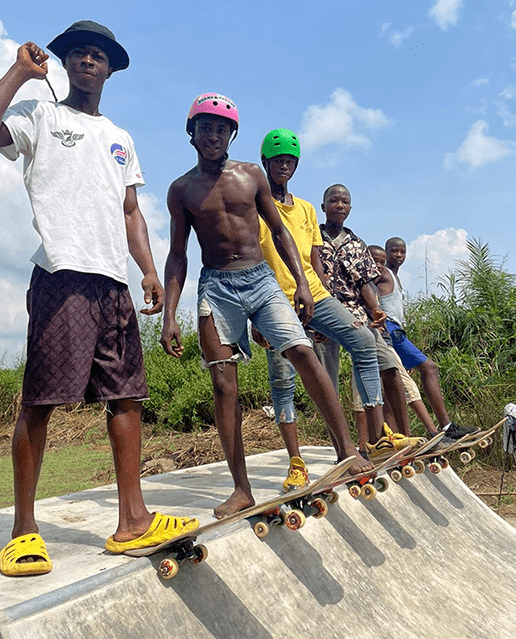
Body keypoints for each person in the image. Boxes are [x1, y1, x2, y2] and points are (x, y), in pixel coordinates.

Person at [0, 21, 199, 576]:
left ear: (111, 68)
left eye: (99, 55)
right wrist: (20, 72)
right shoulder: (39, 116)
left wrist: (147, 271)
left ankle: (133, 520)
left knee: (127, 399)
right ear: (66, 64)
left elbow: (131, 211)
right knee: (41, 402)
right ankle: (23, 531)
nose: (89, 60)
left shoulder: (121, 137)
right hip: (62, 276)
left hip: (114, 282)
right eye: (79, 54)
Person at [160, 96, 373, 518]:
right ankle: (241, 489)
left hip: (262, 281)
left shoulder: (250, 175)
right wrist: (169, 315)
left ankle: (347, 452)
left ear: (231, 135)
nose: (214, 136)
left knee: (303, 354)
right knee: (224, 385)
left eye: (222, 129)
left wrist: (301, 284)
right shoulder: (181, 190)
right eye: (206, 127)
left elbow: (279, 231)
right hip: (216, 289)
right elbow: (178, 255)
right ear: (192, 132)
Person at [254, 129, 418, 491]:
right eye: (278, 160)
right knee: (284, 382)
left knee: (362, 342)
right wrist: (255, 312)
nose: (284, 165)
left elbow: (314, 256)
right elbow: (252, 253)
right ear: (265, 162)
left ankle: (375, 438)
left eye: (290, 161)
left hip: (312, 294)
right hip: (274, 299)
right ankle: (296, 463)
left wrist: (322, 296)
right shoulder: (255, 205)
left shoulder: (307, 209)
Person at [316, 184, 416, 448]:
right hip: (323, 314)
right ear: (323, 206)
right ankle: (344, 450)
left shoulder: (357, 244)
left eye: (345, 201)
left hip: (357, 315)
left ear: (350, 208)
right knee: (329, 385)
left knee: (390, 366)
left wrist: (375, 309)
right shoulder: (312, 239)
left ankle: (398, 438)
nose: (339, 205)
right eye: (333, 200)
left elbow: (364, 283)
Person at [377, 238, 477, 440]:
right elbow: (367, 286)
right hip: (389, 329)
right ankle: (446, 426)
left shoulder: (395, 278)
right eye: (394, 251)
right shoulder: (382, 273)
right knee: (430, 368)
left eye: (402, 252)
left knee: (391, 387)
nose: (398, 255)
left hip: (396, 331)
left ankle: (395, 438)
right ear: (386, 252)